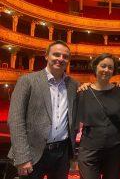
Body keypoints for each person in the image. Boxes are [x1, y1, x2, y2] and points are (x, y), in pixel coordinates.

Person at [7, 40, 78, 179]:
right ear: (46, 56)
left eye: (65, 56)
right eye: (56, 55)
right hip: (32, 153)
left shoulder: (73, 85)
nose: (60, 59)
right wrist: (22, 157)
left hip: (62, 153)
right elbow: (15, 120)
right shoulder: (27, 81)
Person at [76, 53, 120, 179]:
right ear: (95, 67)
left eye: (110, 67)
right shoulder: (83, 92)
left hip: (114, 150)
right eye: (103, 66)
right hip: (89, 150)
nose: (106, 70)